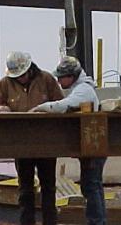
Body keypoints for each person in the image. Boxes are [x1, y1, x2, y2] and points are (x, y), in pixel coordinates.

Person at [0, 51, 64, 225]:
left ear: (29, 69)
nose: (20, 79)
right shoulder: (6, 83)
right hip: (21, 144)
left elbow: (61, 104)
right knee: (25, 189)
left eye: (22, 75)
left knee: (48, 188)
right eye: (17, 76)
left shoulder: (46, 80)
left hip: (46, 144)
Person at [30, 56, 107, 225]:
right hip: (92, 145)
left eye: (61, 77)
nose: (58, 81)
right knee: (92, 184)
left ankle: (97, 221)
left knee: (91, 186)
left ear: (71, 76)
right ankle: (97, 221)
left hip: (93, 145)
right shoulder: (82, 88)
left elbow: (63, 106)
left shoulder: (83, 90)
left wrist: (41, 107)